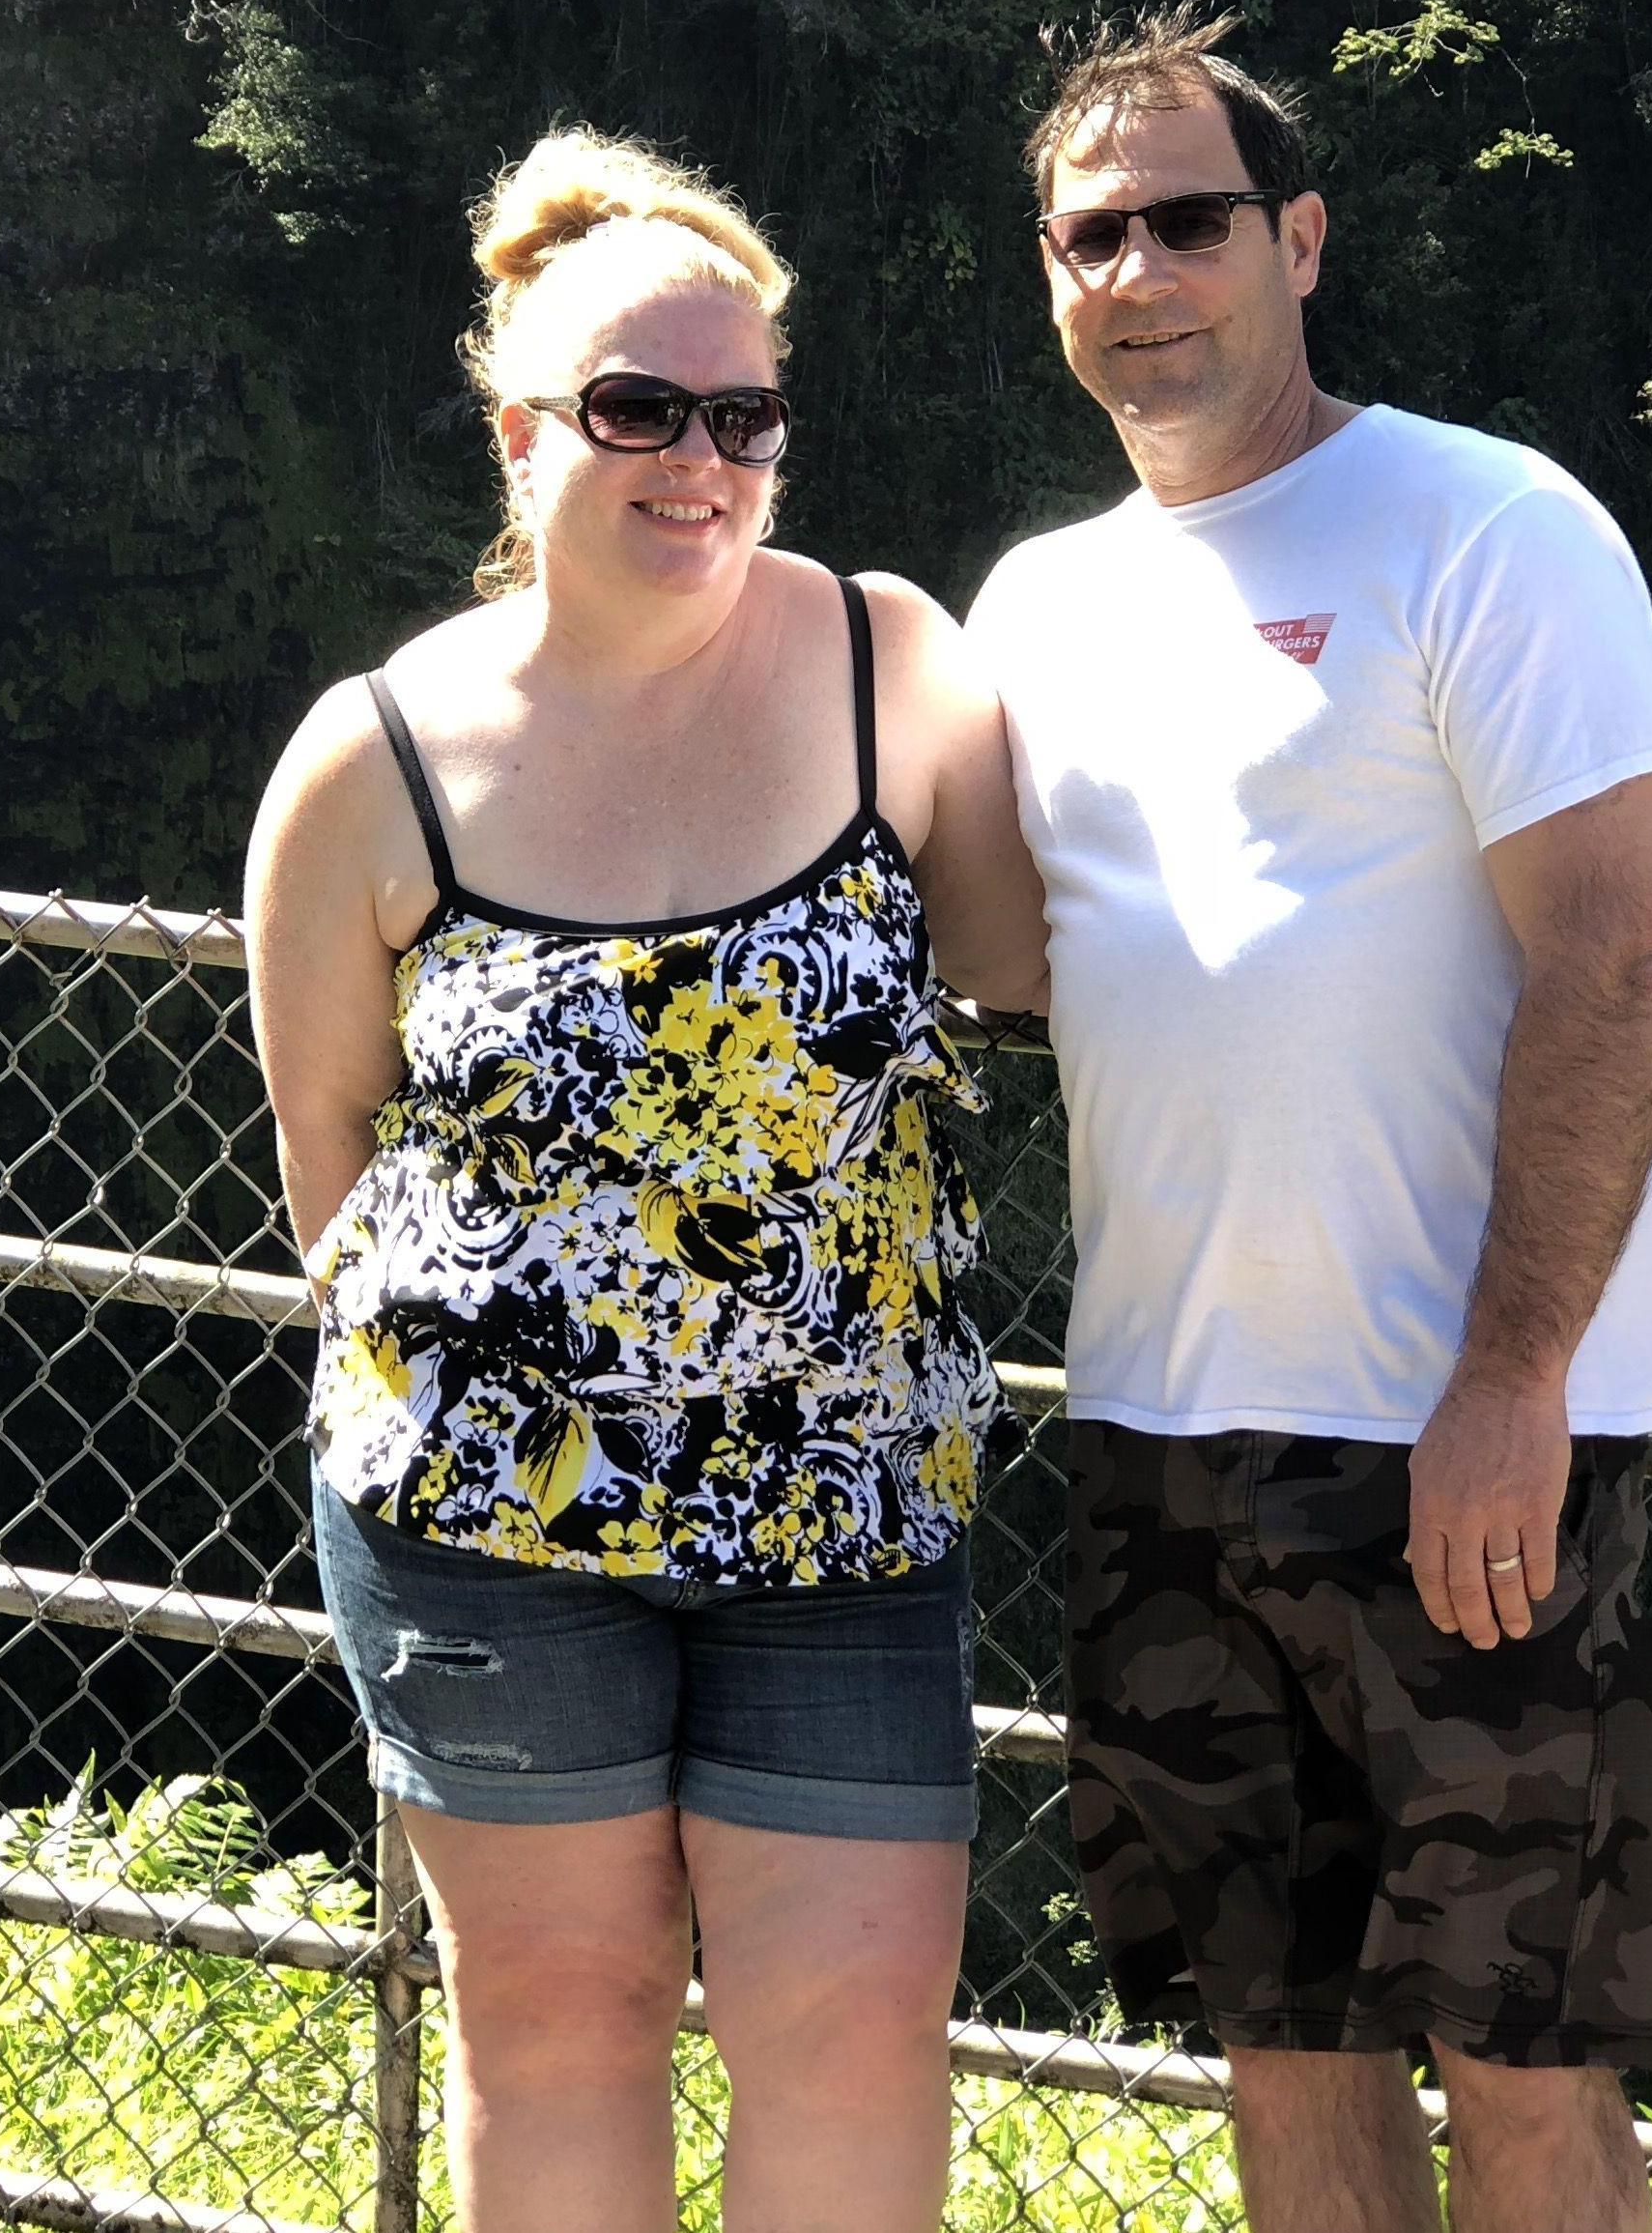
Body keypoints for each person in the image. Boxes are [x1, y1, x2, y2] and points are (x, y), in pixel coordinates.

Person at [243, 129, 1049, 2233]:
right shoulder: (379, 755)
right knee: (563, 2022)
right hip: (490, 1518)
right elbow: (330, 1155)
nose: (698, 459)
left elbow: (1039, 964)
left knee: (862, 2023)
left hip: (848, 1507)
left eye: (744, 417)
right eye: (636, 411)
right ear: (521, 432)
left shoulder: (897, 667)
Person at [968, 10, 1652, 2233]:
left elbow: (1614, 956)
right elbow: (989, 956)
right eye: (1092, 234)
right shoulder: (1038, 606)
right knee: (1277, 2046)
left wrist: (1511, 1385)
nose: (1141, 271)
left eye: (1191, 220)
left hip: (1458, 1438)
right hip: (1161, 1427)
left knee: (1527, 2054)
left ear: (1298, 238)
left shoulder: (1483, 521)